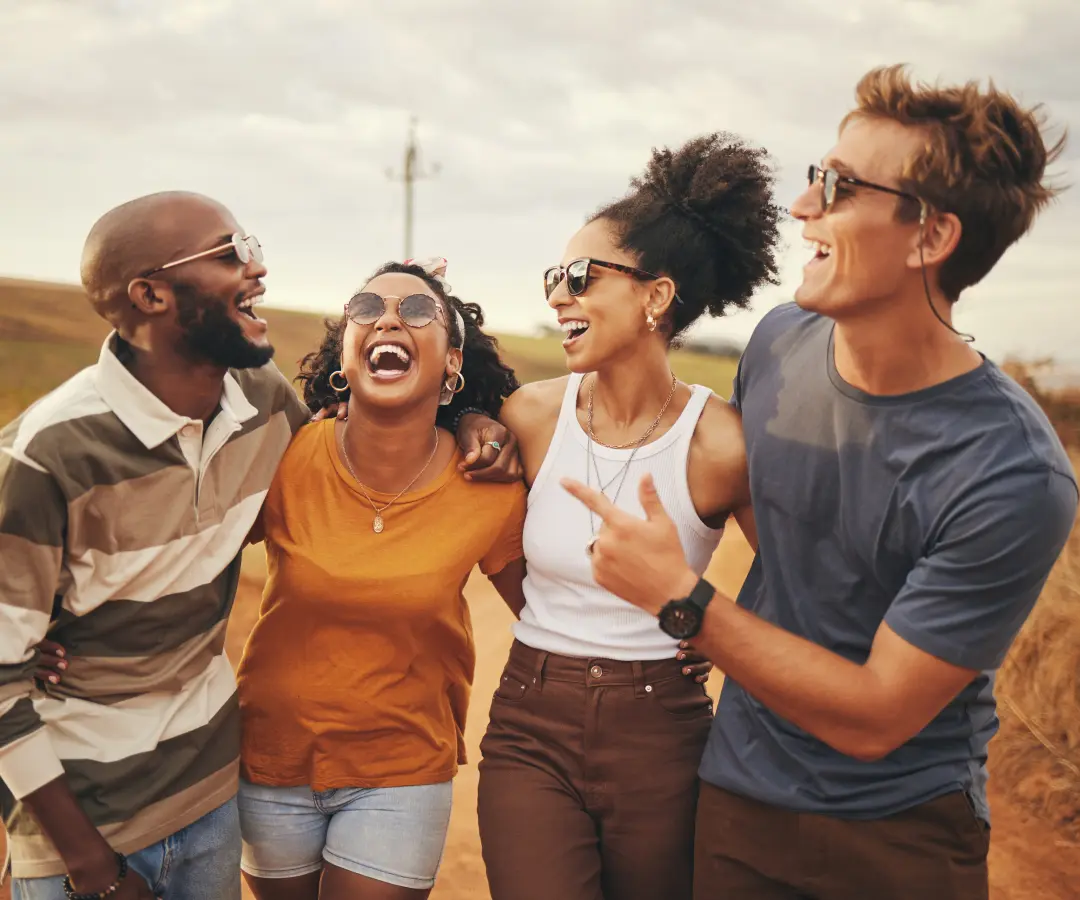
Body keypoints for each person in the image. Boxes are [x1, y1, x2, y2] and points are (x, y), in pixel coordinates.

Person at [564, 66, 1079, 900]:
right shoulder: (779, 344)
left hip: (900, 836)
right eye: (816, 178)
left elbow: (877, 715)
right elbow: (791, 545)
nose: (803, 209)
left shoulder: (1012, 472)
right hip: (737, 799)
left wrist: (681, 600)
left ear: (930, 238)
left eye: (837, 188)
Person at [0, 193, 518, 900]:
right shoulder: (57, 450)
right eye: (232, 252)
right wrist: (55, 631)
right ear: (148, 293)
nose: (259, 268)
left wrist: (474, 420)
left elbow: (542, 602)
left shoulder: (263, 410)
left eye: (420, 311)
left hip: (220, 794)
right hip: (134, 806)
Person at [476, 134, 782, 900]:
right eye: (554, 277)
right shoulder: (530, 417)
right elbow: (494, 548)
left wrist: (704, 622)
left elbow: (793, 580)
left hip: (663, 735)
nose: (557, 296)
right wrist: (466, 428)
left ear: (654, 296)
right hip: (528, 724)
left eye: (580, 276)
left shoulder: (720, 443)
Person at [233, 261, 527, 900]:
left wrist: (665, 638)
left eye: (420, 311)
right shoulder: (285, 455)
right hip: (271, 759)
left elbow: (546, 613)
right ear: (344, 349)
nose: (389, 318)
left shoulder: (488, 482)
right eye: (366, 308)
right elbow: (190, 563)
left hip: (402, 770)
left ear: (452, 363)